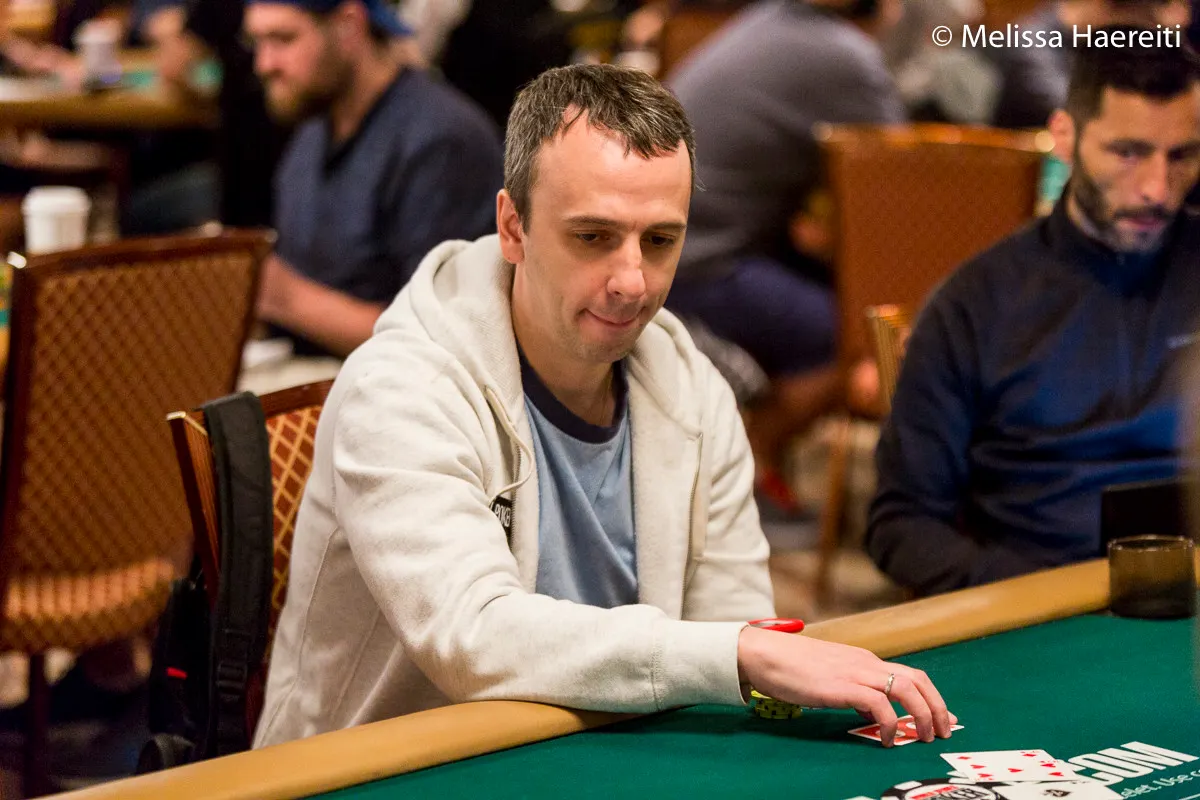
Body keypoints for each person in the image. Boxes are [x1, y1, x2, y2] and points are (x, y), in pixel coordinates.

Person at [254, 63, 956, 750]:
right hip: (374, 773)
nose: (632, 281)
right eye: (592, 237)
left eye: (660, 241)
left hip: (603, 757)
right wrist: (738, 654)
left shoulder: (694, 388)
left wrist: (744, 655)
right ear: (513, 227)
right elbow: (471, 635)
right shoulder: (401, 386)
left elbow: (731, 625)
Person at [867, 33, 1200, 596]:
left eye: (1183, 155)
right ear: (1065, 137)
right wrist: (1036, 595)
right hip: (1040, 598)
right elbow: (901, 524)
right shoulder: (977, 303)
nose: (1156, 189)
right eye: (1128, 152)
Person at [664, 0, 905, 516]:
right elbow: (898, 180)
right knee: (856, 337)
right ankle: (746, 477)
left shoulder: (766, 19)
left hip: (666, 246)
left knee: (831, 294)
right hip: (696, 262)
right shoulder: (846, 55)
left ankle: (739, 465)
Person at [244, 0, 502, 357]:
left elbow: (438, 338)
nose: (264, 64)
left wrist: (284, 298)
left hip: (401, 384)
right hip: (300, 364)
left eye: (283, 39)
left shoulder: (441, 142)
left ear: (349, 26)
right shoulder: (312, 133)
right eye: (256, 42)